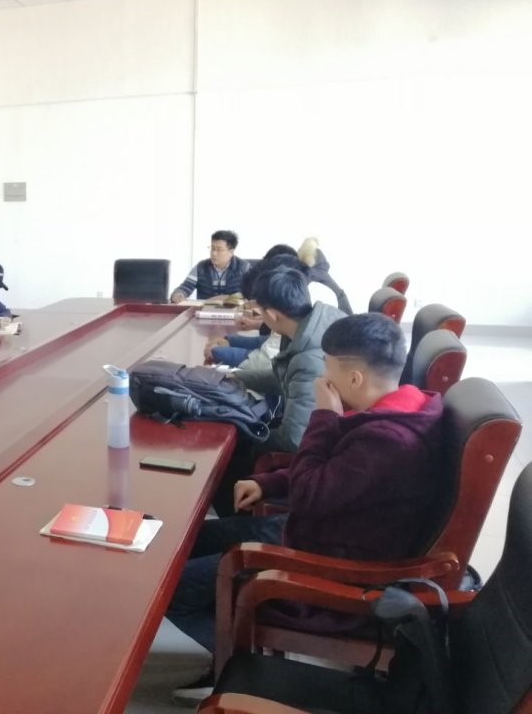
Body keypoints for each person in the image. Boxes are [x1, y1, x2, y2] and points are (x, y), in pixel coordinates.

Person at [166, 313, 445, 658]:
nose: (322, 377)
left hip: (330, 567)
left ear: (354, 378)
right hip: (322, 534)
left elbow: (307, 493)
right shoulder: (399, 407)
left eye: (327, 367)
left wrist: (324, 416)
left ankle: (239, 663)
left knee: (172, 589)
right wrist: (268, 483)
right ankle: (228, 631)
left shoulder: (387, 440)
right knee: (194, 539)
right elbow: (338, 472)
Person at [211, 262, 347, 517]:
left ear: (272, 315)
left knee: (228, 453)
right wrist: (235, 378)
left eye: (260, 312)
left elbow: (294, 439)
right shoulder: (313, 324)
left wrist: (244, 430)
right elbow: (283, 378)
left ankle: (238, 523)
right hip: (316, 430)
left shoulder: (309, 358)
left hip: (311, 450)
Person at [170, 230, 253, 303]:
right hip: (204, 312)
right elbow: (186, 286)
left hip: (235, 312)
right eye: (212, 248)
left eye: (219, 249)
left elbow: (253, 294)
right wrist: (178, 294)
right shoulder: (201, 267)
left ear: (231, 252)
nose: (214, 253)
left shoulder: (244, 268)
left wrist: (228, 298)